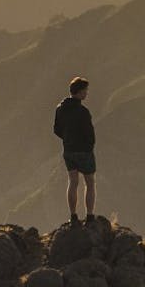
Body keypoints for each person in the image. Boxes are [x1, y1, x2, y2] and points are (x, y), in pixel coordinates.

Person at [53, 75, 97, 225]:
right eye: (85, 90)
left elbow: (56, 129)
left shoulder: (60, 109)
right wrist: (89, 146)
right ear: (79, 92)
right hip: (84, 150)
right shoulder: (83, 111)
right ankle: (90, 216)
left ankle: (73, 216)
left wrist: (67, 139)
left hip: (69, 150)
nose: (87, 93)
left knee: (73, 182)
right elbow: (89, 133)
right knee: (90, 182)